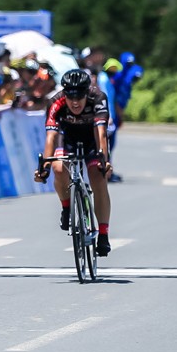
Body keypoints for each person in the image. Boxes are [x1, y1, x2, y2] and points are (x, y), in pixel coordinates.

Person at [34, 69, 114, 257]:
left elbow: (101, 133)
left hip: (92, 140)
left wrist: (105, 160)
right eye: (71, 97)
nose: (75, 102)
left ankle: (103, 234)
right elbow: (51, 138)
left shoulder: (98, 98)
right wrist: (44, 168)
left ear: (87, 93)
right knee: (58, 167)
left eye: (79, 96)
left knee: (97, 177)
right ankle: (66, 207)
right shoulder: (55, 102)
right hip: (67, 139)